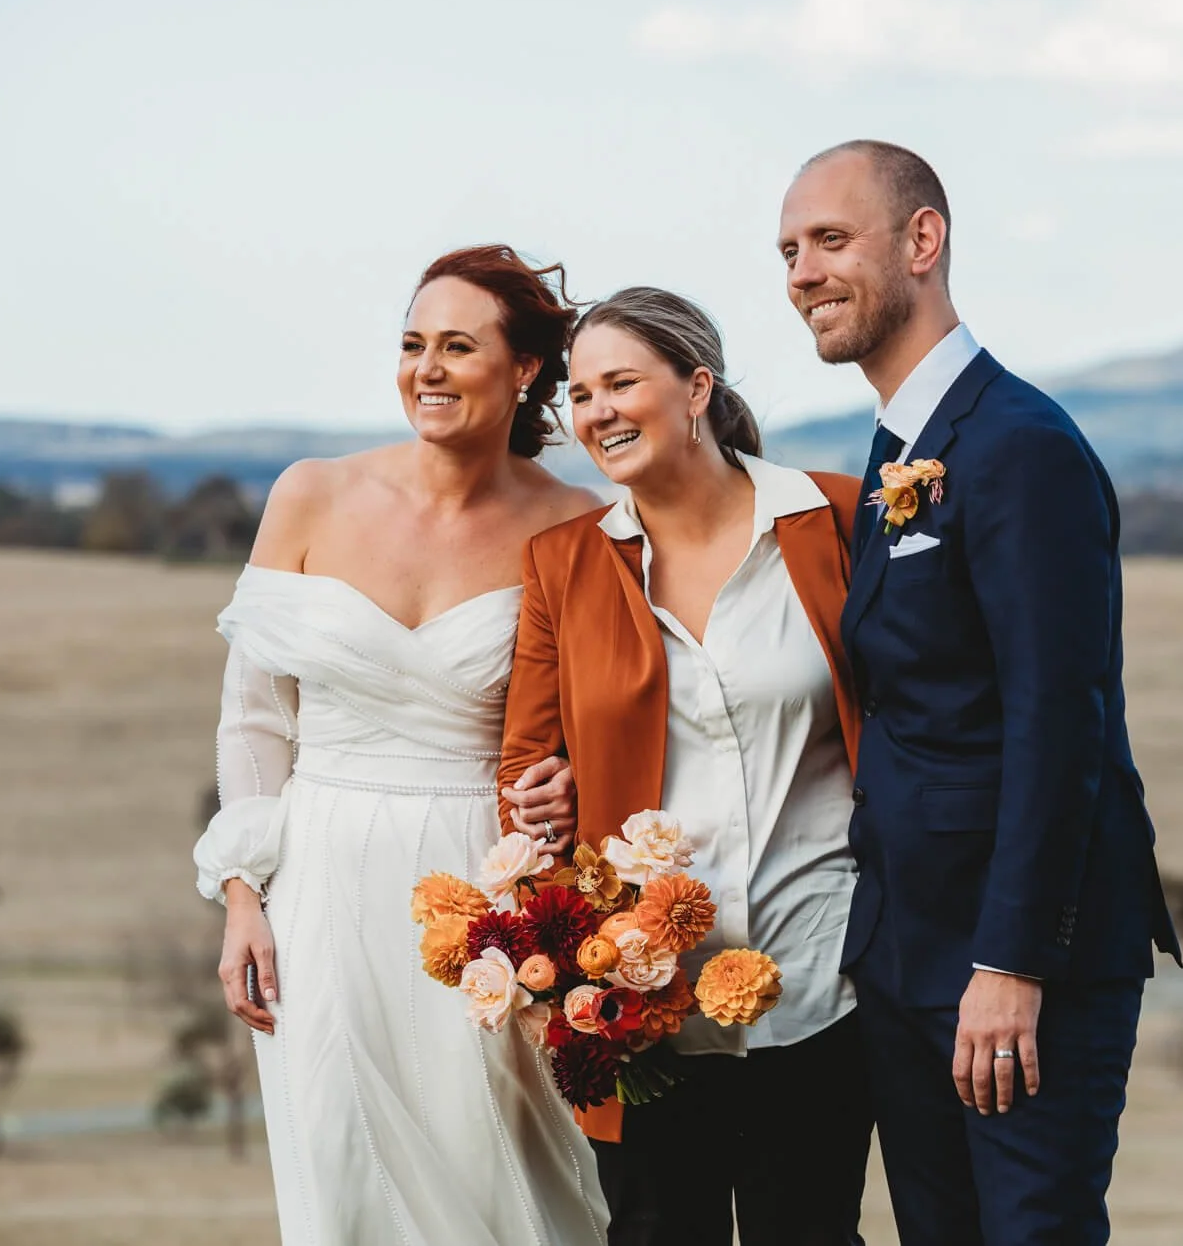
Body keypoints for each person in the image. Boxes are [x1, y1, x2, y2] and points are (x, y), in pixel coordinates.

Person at [777, 141, 1182, 1245]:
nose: (802, 273)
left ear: (922, 241)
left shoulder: (1020, 447)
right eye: (787, 252)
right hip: (909, 957)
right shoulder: (897, 450)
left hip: (1016, 969)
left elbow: (1060, 724)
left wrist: (1011, 962)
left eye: (828, 240)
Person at [190, 245, 609, 1245]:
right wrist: (244, 894)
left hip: (486, 895)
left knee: (500, 1174)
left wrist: (568, 784)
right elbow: (254, 715)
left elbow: (601, 712)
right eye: (412, 343)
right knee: (342, 1168)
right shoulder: (310, 495)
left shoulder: (581, 524)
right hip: (321, 882)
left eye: (457, 346)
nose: (425, 367)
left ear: (522, 371)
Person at [500, 286, 874, 1245]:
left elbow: (912, 721)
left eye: (622, 382)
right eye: (581, 395)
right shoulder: (564, 565)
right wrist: (545, 793)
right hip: (641, 1006)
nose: (598, 413)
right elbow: (527, 762)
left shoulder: (835, 522)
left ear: (696, 386)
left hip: (825, 982)